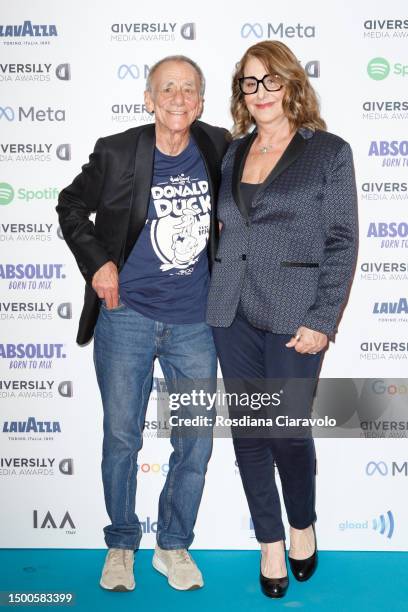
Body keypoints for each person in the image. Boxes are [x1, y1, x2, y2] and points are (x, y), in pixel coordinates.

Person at [56, 55, 230, 592]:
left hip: (195, 323)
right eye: (167, 89)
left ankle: (173, 545)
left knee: (196, 440)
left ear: (201, 101)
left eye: (189, 89)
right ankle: (121, 544)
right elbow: (69, 206)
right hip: (124, 317)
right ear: (149, 99)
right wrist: (97, 262)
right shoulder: (115, 151)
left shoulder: (219, 145)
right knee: (122, 437)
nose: (179, 98)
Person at [207, 40, 358, 599]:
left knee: (287, 431)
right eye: (250, 82)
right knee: (249, 434)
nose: (260, 92)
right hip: (232, 314)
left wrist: (323, 318)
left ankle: (301, 525)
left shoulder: (329, 152)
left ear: (292, 85)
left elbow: (343, 241)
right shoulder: (231, 153)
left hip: (297, 316)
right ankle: (269, 542)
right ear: (241, 92)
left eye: (271, 80)